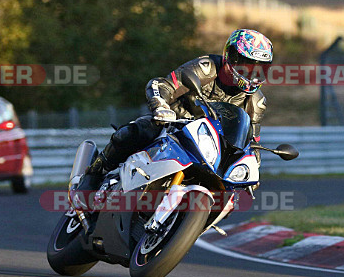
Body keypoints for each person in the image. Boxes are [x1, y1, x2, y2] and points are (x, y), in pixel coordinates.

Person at [76, 28, 273, 191]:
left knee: (229, 192)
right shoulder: (206, 68)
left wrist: (253, 168)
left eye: (260, 69)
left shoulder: (256, 102)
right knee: (136, 131)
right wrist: (161, 105)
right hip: (174, 124)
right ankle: (95, 172)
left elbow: (252, 140)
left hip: (210, 145)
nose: (253, 74)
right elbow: (163, 85)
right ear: (230, 57)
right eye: (247, 66)